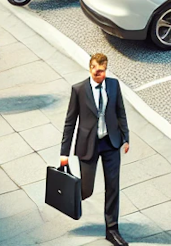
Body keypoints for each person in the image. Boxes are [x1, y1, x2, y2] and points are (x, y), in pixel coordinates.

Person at [60, 53, 131, 246]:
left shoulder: (114, 85)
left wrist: (126, 137)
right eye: (96, 70)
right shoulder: (79, 90)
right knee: (86, 189)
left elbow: (120, 112)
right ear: (90, 68)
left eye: (102, 71)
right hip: (88, 144)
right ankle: (67, 200)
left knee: (113, 187)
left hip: (110, 143)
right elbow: (70, 122)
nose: (99, 74)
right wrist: (64, 153)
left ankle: (112, 229)